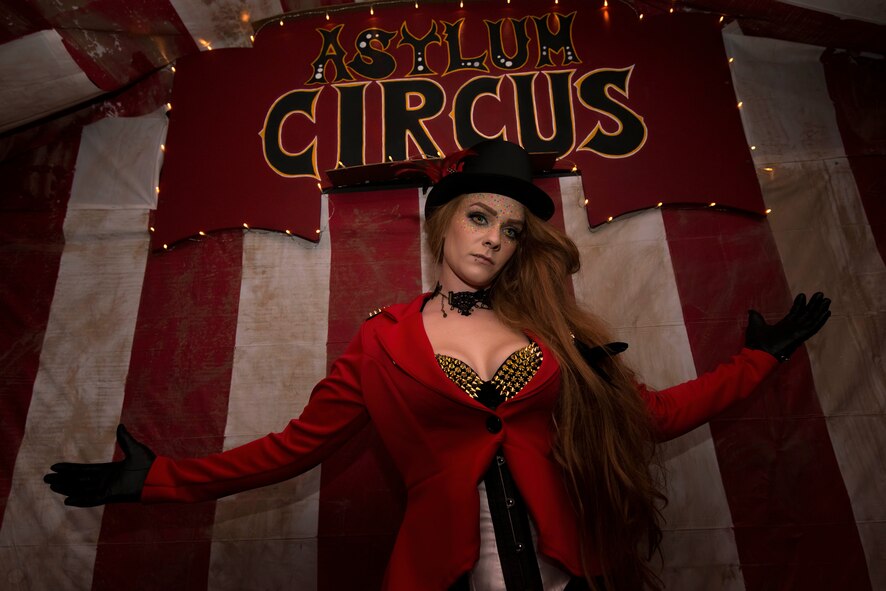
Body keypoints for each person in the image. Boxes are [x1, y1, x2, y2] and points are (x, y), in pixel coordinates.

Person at [45, 139, 831, 591]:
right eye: (480, 216)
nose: (493, 237)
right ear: (444, 225)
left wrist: (759, 359)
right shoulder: (381, 341)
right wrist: (155, 479)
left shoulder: (555, 335)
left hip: (571, 578)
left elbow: (652, 416)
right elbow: (289, 448)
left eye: (512, 229)